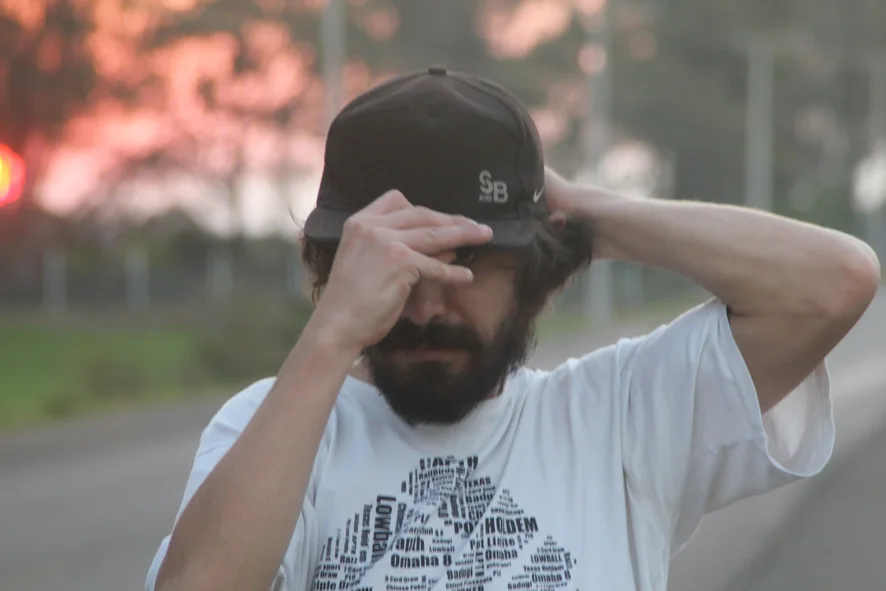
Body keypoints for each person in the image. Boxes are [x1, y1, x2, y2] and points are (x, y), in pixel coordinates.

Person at [146, 66, 880, 591]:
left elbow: (834, 284)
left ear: (531, 270)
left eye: (467, 263)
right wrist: (329, 337)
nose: (428, 309)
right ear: (337, 270)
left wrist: (585, 217)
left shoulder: (615, 420)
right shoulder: (275, 427)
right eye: (394, 268)